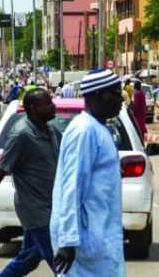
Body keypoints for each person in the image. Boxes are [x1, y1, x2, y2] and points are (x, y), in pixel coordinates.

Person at [0, 89, 59, 276]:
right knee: (60, 263)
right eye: (48, 103)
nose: (53, 106)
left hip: (52, 207)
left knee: (29, 258)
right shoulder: (21, 135)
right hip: (35, 211)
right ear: (33, 108)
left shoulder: (52, 131)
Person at [51, 69, 125, 276]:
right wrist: (67, 240)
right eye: (117, 94)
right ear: (99, 94)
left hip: (100, 234)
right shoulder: (83, 131)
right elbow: (71, 187)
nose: (121, 100)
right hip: (83, 239)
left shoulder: (99, 129)